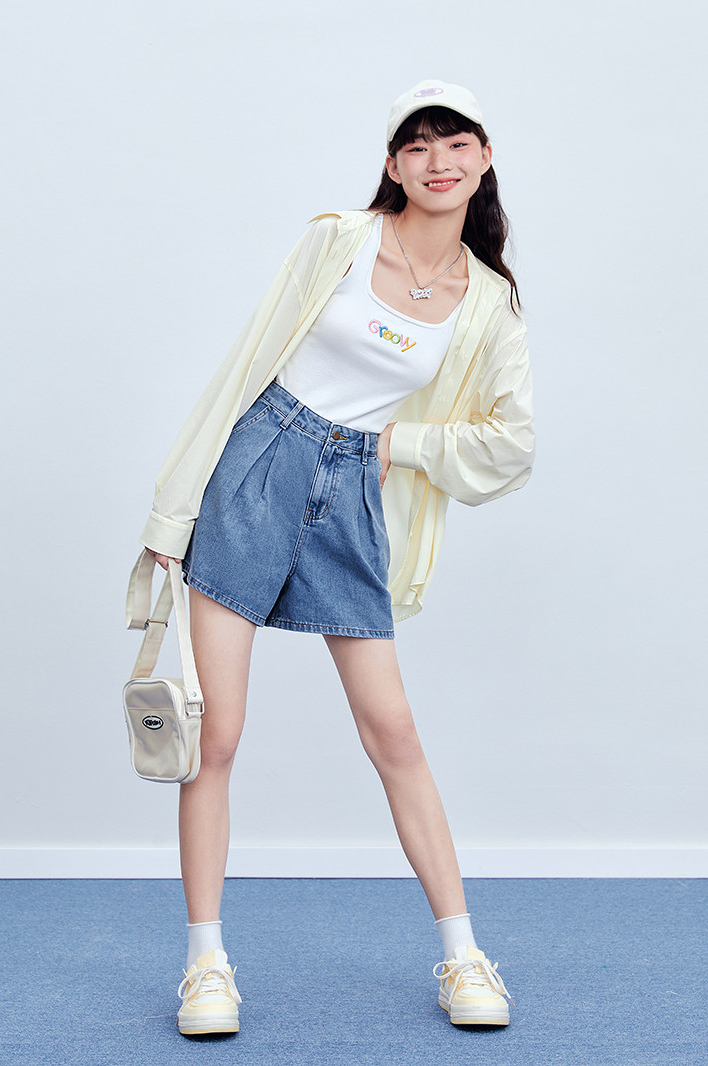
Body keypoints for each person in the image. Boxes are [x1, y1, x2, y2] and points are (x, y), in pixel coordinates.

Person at [137, 79, 534, 1035]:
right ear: (394, 164)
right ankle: (205, 965)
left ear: (484, 158)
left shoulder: (487, 303)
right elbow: (244, 363)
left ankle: (463, 955)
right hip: (258, 464)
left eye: (457, 144)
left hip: (353, 491)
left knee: (393, 731)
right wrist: (172, 508)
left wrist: (399, 444)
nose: (438, 162)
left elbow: (511, 443)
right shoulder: (340, 241)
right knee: (216, 734)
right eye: (418, 144)